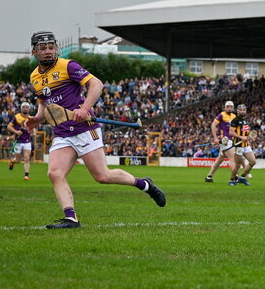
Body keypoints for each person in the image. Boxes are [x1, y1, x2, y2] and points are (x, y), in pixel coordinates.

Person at [23, 31, 166, 228]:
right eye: (42, 48)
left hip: (84, 129)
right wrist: (37, 118)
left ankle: (145, 185)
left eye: (51, 47)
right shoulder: (34, 77)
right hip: (63, 133)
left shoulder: (68, 66)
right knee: (55, 173)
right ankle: (71, 218)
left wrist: (84, 109)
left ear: (55, 48)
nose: (48, 51)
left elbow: (96, 84)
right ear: (33, 52)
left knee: (102, 176)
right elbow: (44, 101)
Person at [204, 101, 237, 183]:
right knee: (232, 158)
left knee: (220, 159)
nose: (229, 108)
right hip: (225, 140)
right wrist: (215, 137)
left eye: (231, 107)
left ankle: (209, 176)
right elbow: (213, 125)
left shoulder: (234, 116)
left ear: (233, 108)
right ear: (225, 107)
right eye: (227, 106)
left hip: (231, 140)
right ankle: (235, 177)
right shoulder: (221, 115)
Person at [228, 103, 256, 186]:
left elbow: (246, 132)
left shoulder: (245, 121)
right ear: (238, 111)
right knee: (237, 165)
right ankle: (231, 180)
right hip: (238, 145)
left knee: (252, 162)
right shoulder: (235, 120)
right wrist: (241, 137)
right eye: (241, 110)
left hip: (246, 145)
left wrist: (249, 135)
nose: (243, 111)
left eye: (244, 110)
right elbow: (231, 132)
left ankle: (242, 177)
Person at [7, 101, 35, 180]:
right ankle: (13, 161)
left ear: (29, 109)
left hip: (27, 141)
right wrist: (16, 132)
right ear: (21, 108)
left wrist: (32, 131)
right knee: (18, 160)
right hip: (18, 141)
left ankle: (26, 175)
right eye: (23, 107)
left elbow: (32, 128)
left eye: (27, 107)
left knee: (26, 158)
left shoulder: (30, 118)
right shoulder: (16, 117)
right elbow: (9, 126)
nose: (25, 109)